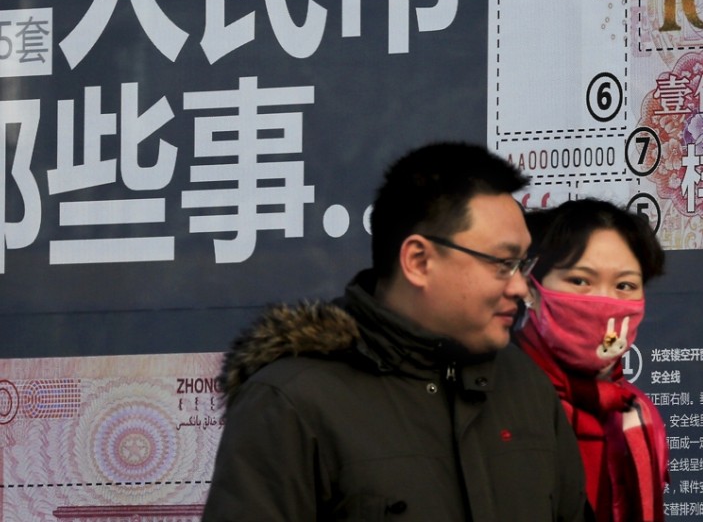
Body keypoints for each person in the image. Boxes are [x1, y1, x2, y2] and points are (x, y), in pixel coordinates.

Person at [201, 142, 591, 521]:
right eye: (503, 263)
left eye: (523, 265)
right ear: (419, 261)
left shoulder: (526, 387)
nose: (520, 288)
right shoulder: (291, 404)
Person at [514, 198, 668, 522]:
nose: (604, 302)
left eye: (624, 285)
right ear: (530, 287)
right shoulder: (498, 404)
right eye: (580, 281)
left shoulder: (638, 415)